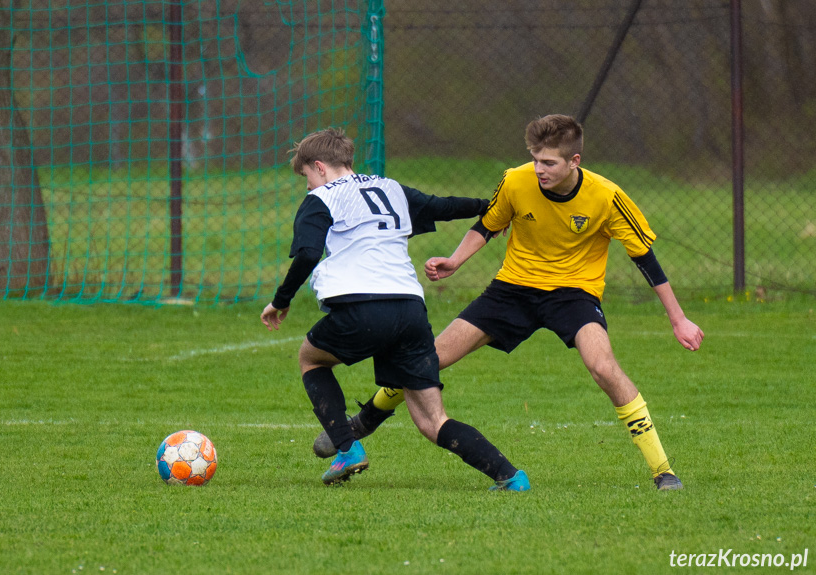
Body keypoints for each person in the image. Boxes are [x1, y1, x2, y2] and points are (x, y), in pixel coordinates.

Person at [312, 115, 704, 491]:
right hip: (511, 291)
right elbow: (488, 224)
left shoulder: (606, 196)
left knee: (602, 366)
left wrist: (679, 319)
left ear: (574, 161)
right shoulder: (516, 181)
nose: (539, 169)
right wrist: (454, 261)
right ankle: (365, 420)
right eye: (535, 160)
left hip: (574, 295)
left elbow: (645, 258)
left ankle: (663, 470)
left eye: (549, 162)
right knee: (426, 359)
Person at [260, 127, 529, 491]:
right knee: (433, 419)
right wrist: (494, 208)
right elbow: (443, 206)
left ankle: (347, 449)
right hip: (410, 311)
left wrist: (281, 300)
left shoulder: (320, 198)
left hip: (361, 307)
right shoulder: (390, 188)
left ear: (319, 167)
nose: (307, 185)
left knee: (311, 358)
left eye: (306, 176)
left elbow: (308, 252)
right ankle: (509, 475)